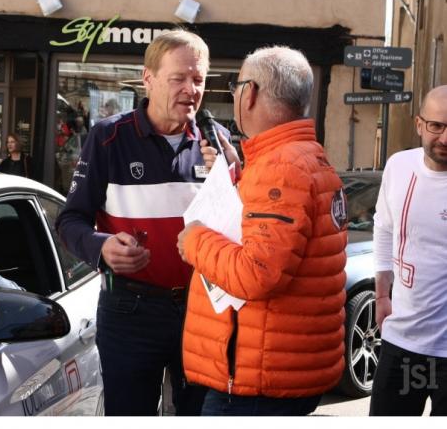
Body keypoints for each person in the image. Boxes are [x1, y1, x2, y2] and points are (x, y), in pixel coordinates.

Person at [56, 30, 232, 416]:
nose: (191, 89)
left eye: (198, 80)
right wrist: (100, 247)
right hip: (131, 310)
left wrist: (232, 178)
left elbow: (243, 227)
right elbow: (69, 220)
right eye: (179, 78)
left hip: (203, 308)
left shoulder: (218, 140)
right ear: (148, 79)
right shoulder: (109, 137)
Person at [176, 46, 347, 416]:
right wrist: (237, 174)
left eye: (236, 86)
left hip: (258, 382)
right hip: (278, 370)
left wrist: (194, 239)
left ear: (250, 93)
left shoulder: (281, 167)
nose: (236, 94)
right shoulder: (301, 155)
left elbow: (258, 273)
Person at [369, 85, 447, 416]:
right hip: (401, 344)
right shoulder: (398, 166)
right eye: (437, 126)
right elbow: (384, 227)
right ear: (419, 124)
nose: (445, 138)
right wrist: (382, 295)